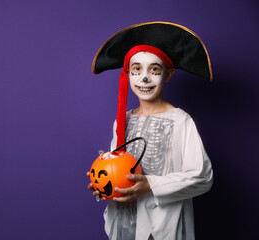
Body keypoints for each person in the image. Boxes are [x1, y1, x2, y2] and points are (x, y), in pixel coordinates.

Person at [86, 22, 213, 240]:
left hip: (164, 226)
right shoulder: (122, 121)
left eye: (154, 70)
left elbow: (202, 177)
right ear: (128, 75)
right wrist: (104, 181)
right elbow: (119, 169)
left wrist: (150, 185)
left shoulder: (181, 121)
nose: (144, 78)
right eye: (137, 70)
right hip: (124, 225)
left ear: (168, 75)